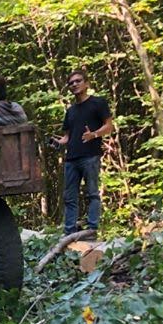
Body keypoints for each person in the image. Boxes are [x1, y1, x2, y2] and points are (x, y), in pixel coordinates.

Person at [52, 69, 114, 237]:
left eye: (78, 81)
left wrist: (93, 134)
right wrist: (59, 142)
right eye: (71, 83)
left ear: (86, 83)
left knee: (92, 193)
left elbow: (109, 126)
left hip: (90, 156)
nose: (74, 84)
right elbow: (67, 136)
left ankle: (92, 230)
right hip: (71, 158)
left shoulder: (98, 103)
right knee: (69, 197)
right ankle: (69, 232)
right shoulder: (70, 111)